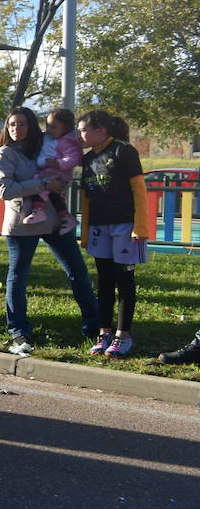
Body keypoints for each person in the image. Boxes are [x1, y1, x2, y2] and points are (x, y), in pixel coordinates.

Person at [0, 107, 99, 357]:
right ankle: (19, 329)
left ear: (32, 126)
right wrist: (42, 184)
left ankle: (94, 325)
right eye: (12, 124)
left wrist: (58, 181)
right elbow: (5, 190)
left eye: (23, 124)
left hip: (54, 222)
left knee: (77, 271)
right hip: (21, 224)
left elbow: (63, 170)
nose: (17, 129)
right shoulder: (3, 154)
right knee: (18, 276)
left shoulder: (45, 146)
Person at [78, 110, 148, 358]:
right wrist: (85, 232)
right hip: (100, 227)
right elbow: (86, 199)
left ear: (102, 130)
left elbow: (139, 189)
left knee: (125, 281)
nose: (81, 134)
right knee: (105, 282)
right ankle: (104, 332)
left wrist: (141, 226)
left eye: (84, 129)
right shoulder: (87, 159)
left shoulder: (123, 151)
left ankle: (123, 336)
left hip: (125, 227)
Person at [22, 107, 82, 232]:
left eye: (53, 127)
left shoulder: (67, 143)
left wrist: (58, 163)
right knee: (55, 197)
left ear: (66, 129)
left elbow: (73, 159)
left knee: (39, 183)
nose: (49, 129)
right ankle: (66, 217)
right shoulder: (48, 138)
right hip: (50, 170)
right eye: (48, 126)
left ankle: (38, 210)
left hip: (58, 173)